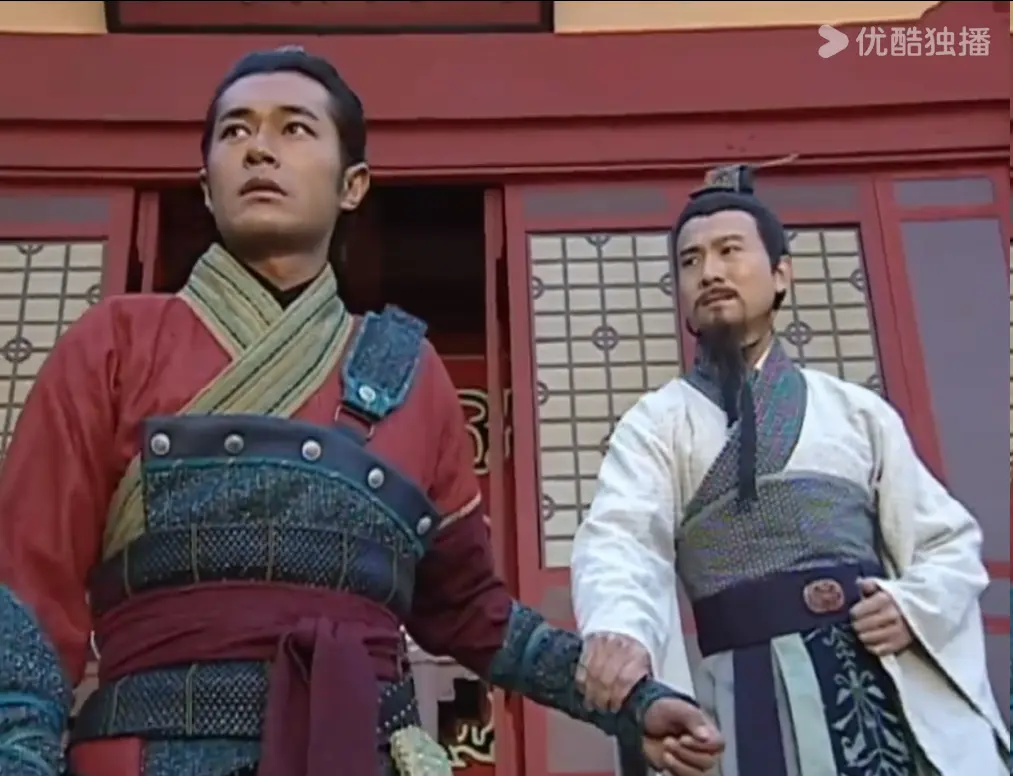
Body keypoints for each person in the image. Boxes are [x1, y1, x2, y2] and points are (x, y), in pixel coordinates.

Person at [0, 48, 724, 776]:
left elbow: (470, 610)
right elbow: (27, 582)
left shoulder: (409, 371)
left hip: (360, 750)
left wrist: (626, 702)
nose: (258, 149)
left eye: (294, 129)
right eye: (235, 131)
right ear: (206, 186)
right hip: (142, 750)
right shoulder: (114, 344)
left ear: (353, 185)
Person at [570, 164, 1010, 776]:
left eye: (730, 251)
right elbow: (622, 540)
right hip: (744, 691)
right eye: (691, 261)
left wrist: (913, 606)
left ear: (781, 274)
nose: (710, 272)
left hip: (878, 679)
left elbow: (945, 541)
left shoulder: (856, 412)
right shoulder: (657, 424)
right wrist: (619, 630)